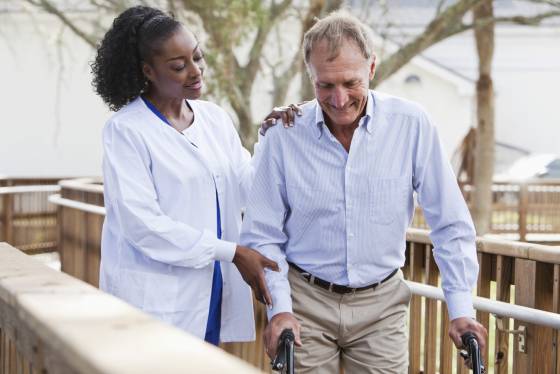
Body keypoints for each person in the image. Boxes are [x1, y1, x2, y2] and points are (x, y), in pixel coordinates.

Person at [241, 10, 487, 373]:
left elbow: (450, 224)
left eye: (350, 83)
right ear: (310, 76)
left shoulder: (411, 125)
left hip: (381, 306)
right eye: (325, 85)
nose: (339, 99)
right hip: (305, 301)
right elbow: (262, 234)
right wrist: (280, 309)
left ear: (372, 69)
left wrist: (461, 310)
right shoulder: (283, 135)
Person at [92, 5, 279, 345]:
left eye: (197, 57)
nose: (195, 71)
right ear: (148, 71)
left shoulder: (214, 119)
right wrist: (232, 252)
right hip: (155, 298)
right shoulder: (126, 130)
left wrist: (271, 138)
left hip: (210, 288)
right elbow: (142, 224)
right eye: (179, 66)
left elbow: (248, 189)